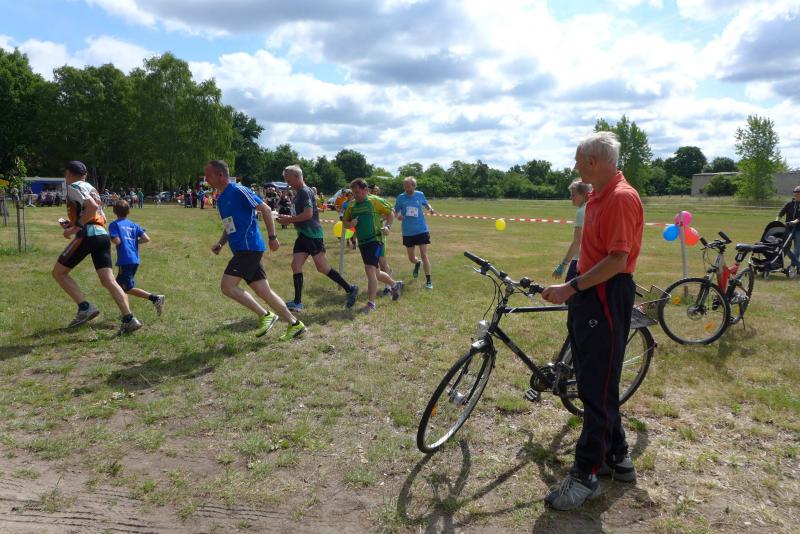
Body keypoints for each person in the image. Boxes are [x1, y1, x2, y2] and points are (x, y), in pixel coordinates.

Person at [541, 132, 644, 511]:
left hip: (605, 295)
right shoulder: (599, 195)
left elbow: (618, 260)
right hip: (591, 294)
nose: (574, 166)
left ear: (594, 162)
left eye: (578, 160)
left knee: (597, 389)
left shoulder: (620, 198)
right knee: (592, 383)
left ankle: (585, 475)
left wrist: (571, 287)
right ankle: (618, 458)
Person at [206, 160, 305, 341]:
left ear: (220, 175)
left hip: (249, 248)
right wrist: (221, 243)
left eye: (208, 175)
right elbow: (229, 225)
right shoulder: (221, 199)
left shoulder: (239, 190)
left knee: (227, 286)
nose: (206, 179)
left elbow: (265, 209)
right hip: (241, 250)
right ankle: (295, 324)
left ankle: (265, 315)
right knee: (264, 291)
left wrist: (272, 237)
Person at [52, 161, 142, 334]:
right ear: (85, 175)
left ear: (68, 173)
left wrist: (75, 228)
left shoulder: (74, 186)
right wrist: (74, 222)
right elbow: (98, 214)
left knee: (59, 273)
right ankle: (129, 318)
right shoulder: (91, 188)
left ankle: (85, 308)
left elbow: (91, 208)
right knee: (108, 280)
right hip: (102, 234)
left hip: (88, 234)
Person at [276, 165, 359, 311]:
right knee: (296, 265)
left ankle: (350, 288)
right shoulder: (298, 193)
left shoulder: (304, 192)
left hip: (312, 235)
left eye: (289, 180)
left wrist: (289, 220)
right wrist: (287, 217)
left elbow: (308, 214)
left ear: (297, 177)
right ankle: (297, 302)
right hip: (303, 234)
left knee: (322, 267)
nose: (288, 184)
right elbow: (301, 214)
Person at [342, 178, 403, 313]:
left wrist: (387, 226)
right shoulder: (351, 206)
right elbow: (345, 222)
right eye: (353, 193)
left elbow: (390, 212)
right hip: (362, 242)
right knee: (375, 272)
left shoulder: (374, 201)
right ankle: (395, 285)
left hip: (375, 239)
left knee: (369, 269)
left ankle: (371, 304)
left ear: (365, 190)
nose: (355, 195)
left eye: (357, 192)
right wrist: (350, 224)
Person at [108, 200, 166, 315]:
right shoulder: (133, 225)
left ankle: (155, 298)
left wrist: (109, 237)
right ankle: (126, 313)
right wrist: (134, 242)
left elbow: (117, 241)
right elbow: (146, 238)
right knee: (119, 287)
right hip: (134, 259)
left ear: (114, 212)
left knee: (125, 288)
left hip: (125, 260)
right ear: (128, 211)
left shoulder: (114, 225)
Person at [394, 176, 435, 289]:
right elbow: (396, 211)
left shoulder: (420, 194)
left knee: (424, 254)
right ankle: (417, 263)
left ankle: (428, 280)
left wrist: (430, 209)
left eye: (408, 186)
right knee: (411, 258)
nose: (406, 188)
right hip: (408, 231)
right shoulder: (400, 197)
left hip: (421, 229)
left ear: (414, 186)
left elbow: (426, 203)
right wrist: (398, 216)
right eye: (405, 186)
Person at [552, 180, 592, 282]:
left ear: (583, 195)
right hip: (592, 261)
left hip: (580, 261)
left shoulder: (581, 211)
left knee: (569, 291)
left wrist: (563, 264)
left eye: (573, 195)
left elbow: (577, 241)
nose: (571, 198)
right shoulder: (593, 207)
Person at [777, 185, 800, 272]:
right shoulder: (789, 204)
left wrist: (795, 221)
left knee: (797, 249)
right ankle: (798, 264)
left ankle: (792, 267)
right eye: (795, 192)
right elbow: (781, 212)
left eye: (798, 192)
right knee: (785, 247)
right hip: (788, 229)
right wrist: (777, 220)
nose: (796, 193)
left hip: (798, 230)